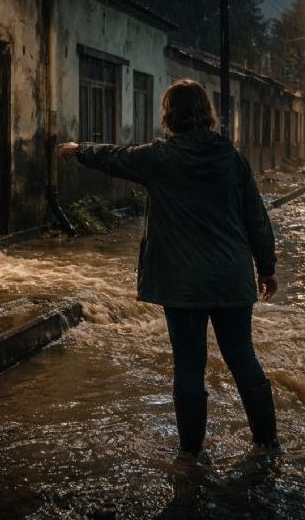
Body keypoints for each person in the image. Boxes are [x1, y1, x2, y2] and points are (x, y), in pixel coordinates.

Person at [57, 79, 278, 457]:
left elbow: (115, 156)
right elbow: (256, 218)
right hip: (230, 276)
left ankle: (191, 455)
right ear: (207, 113)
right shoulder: (232, 158)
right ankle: (267, 443)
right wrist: (267, 267)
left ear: (169, 115)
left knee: (189, 366)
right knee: (243, 358)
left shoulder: (160, 158)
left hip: (183, 281)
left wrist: (79, 150)